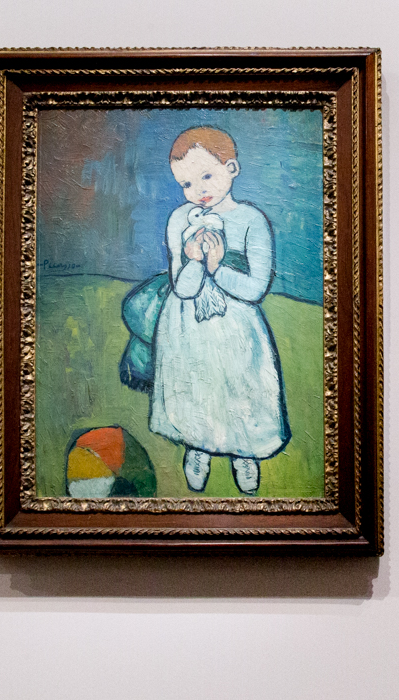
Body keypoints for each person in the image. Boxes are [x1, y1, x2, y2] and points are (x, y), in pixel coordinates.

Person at [147, 126, 290, 495]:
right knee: (197, 385)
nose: (198, 190)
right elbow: (183, 288)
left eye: (206, 176)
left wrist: (217, 267)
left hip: (237, 327)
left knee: (239, 386)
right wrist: (195, 259)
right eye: (186, 183)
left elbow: (256, 289)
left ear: (231, 168)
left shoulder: (251, 220)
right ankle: (198, 447)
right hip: (188, 325)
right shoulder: (180, 219)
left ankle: (245, 452)